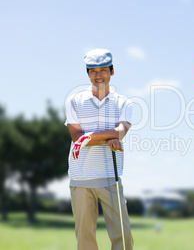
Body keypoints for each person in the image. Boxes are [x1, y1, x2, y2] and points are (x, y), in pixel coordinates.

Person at [65, 48, 134, 250]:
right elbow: (76, 137)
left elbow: (121, 131)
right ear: (88, 74)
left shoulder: (124, 102)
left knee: (123, 236)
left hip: (110, 177)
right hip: (81, 178)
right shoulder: (74, 101)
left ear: (112, 71)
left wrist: (91, 136)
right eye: (93, 71)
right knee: (85, 240)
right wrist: (108, 139)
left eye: (103, 70)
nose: (98, 75)